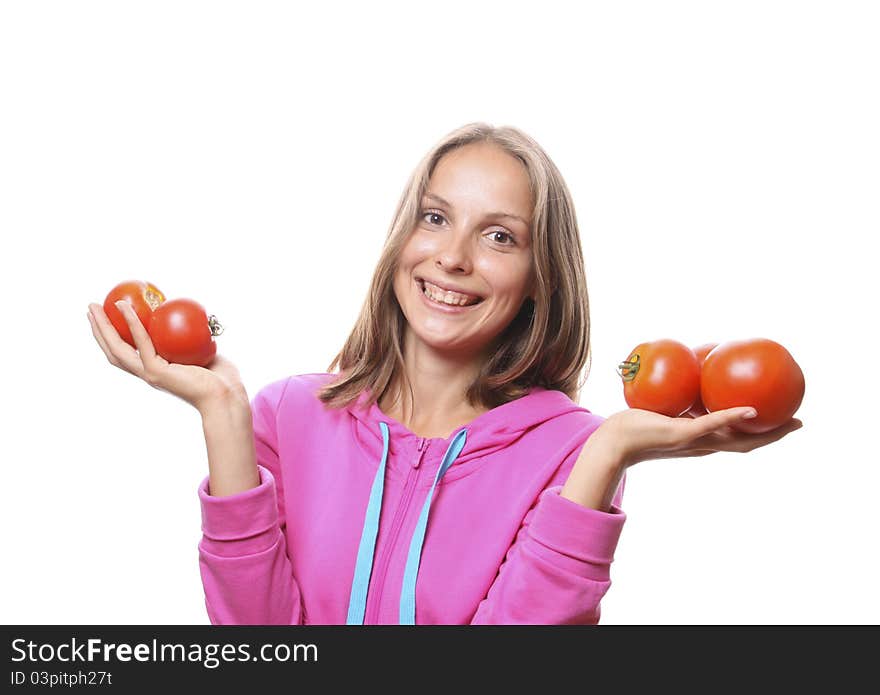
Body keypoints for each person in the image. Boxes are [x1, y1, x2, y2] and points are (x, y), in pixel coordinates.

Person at [87, 122, 802, 625]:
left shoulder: (570, 451)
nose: (452, 257)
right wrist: (223, 411)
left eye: (498, 235)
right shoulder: (285, 416)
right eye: (435, 218)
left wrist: (610, 448)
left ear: (538, 279)